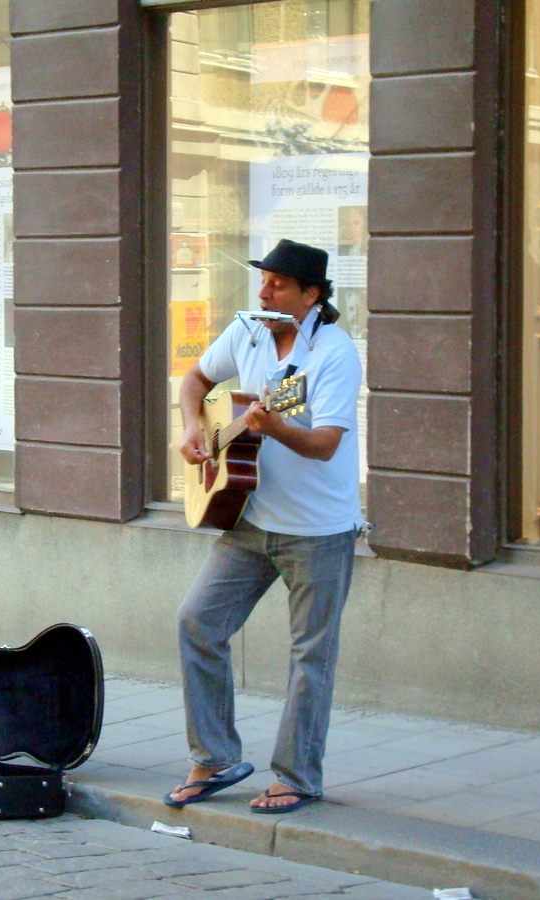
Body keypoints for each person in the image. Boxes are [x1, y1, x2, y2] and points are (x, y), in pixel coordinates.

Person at [166, 238, 366, 814]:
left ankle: (298, 775)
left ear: (311, 294)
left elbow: (326, 444)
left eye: (278, 284)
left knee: (311, 654)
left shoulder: (335, 354)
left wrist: (272, 427)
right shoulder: (249, 332)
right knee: (197, 621)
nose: (264, 291)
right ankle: (216, 756)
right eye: (264, 280)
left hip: (318, 529)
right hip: (249, 518)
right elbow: (194, 383)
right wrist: (190, 430)